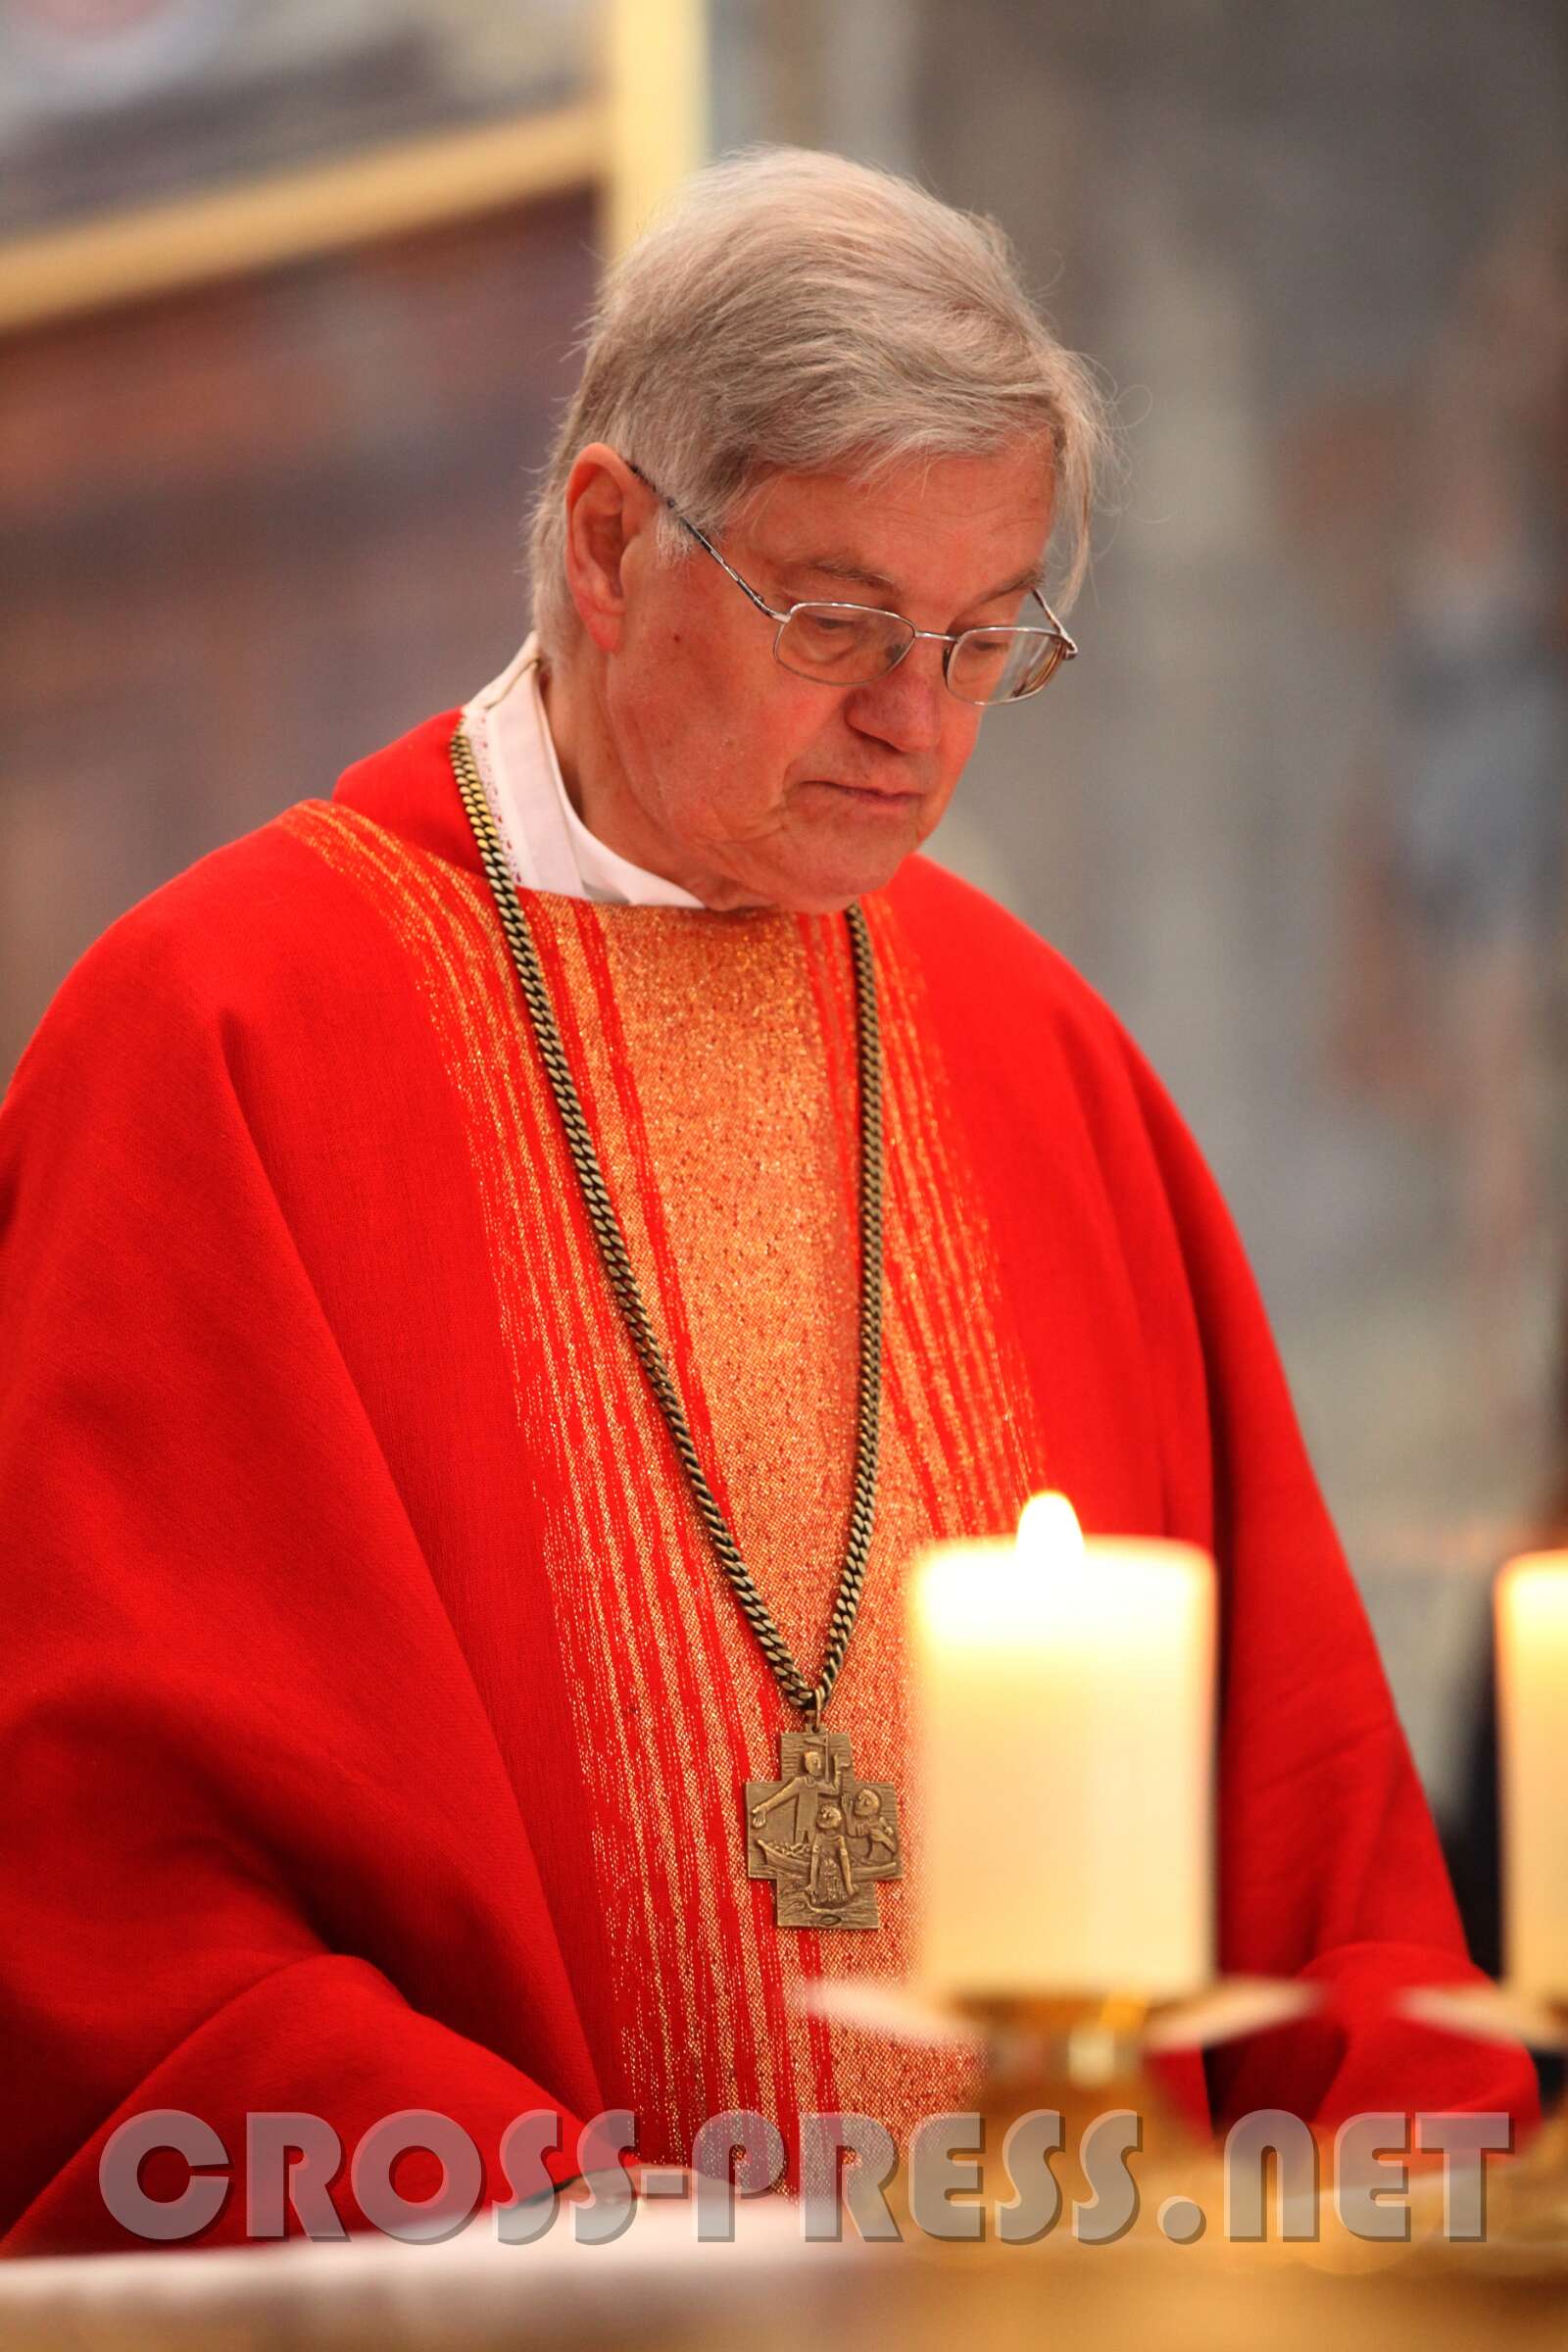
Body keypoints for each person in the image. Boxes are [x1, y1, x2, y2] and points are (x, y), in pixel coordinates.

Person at [0, 148, 1533, 2255]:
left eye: (986, 639)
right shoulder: (222, 1040)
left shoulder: (1035, 1060)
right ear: (613, 543)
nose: (913, 725)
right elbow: (119, 1914)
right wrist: (653, 2277)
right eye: (839, 621)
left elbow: (1312, 1859)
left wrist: (1444, 2235)